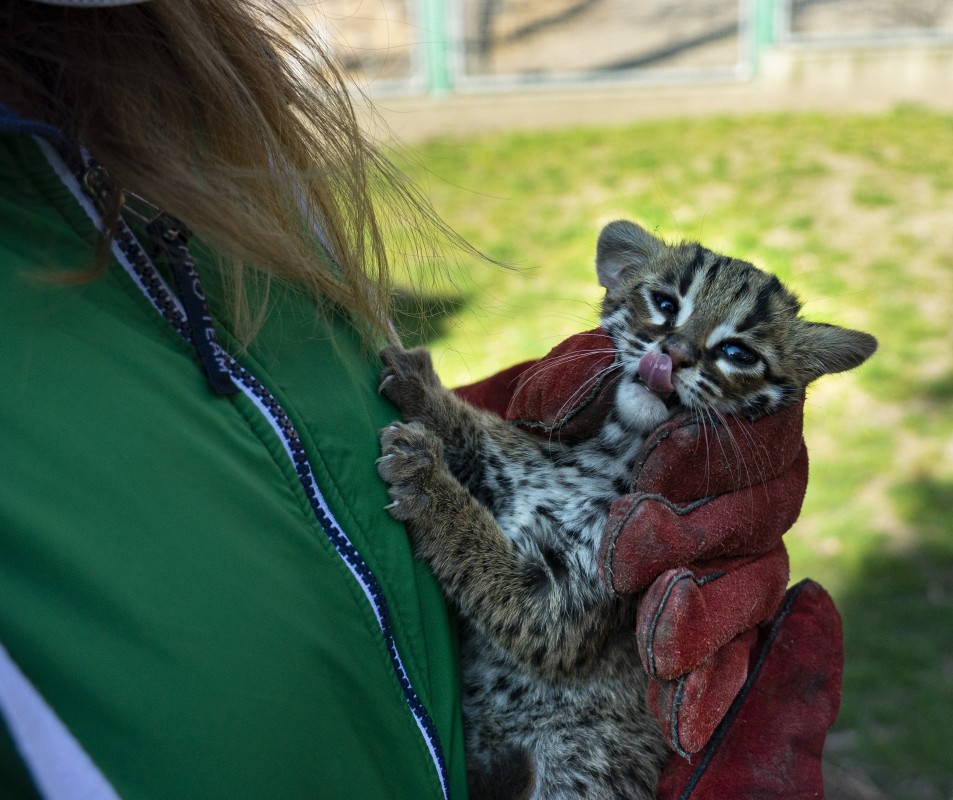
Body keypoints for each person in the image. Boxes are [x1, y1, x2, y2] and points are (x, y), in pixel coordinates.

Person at [0, 1, 842, 798]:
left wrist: (441, 437)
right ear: (618, 285)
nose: (677, 354)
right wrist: (441, 456)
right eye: (662, 310)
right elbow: (535, 599)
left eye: (726, 352)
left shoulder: (205, 128)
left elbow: (535, 606)